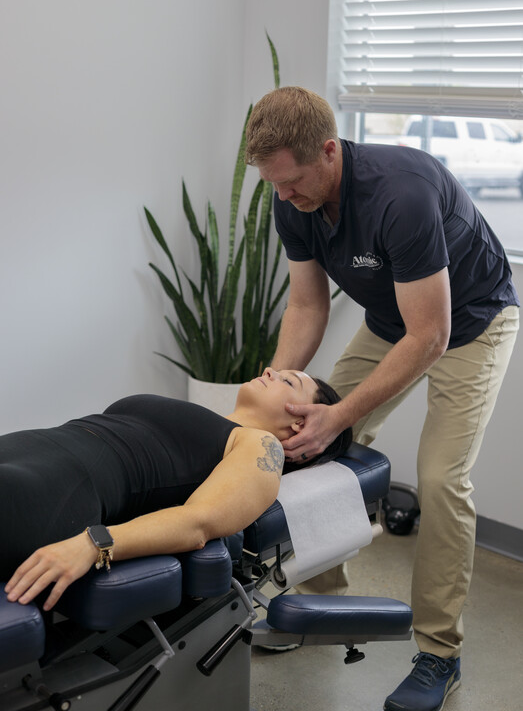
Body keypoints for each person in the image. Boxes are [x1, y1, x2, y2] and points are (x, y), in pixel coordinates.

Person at [245, 86, 520, 711]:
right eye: (274, 186)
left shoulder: (402, 192)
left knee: (441, 477)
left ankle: (439, 654)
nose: (284, 197)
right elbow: (308, 303)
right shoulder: (293, 196)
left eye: (292, 182)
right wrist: (274, 397)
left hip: (472, 323)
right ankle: (322, 607)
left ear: (328, 149)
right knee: (312, 447)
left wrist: (339, 411)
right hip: (392, 320)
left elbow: (433, 334)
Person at [2, 368, 351, 613]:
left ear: (300, 425)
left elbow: (197, 523)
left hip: (56, 488)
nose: (272, 370)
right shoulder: (214, 420)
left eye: (288, 380)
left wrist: (94, 543)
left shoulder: (260, 446)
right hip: (27, 450)